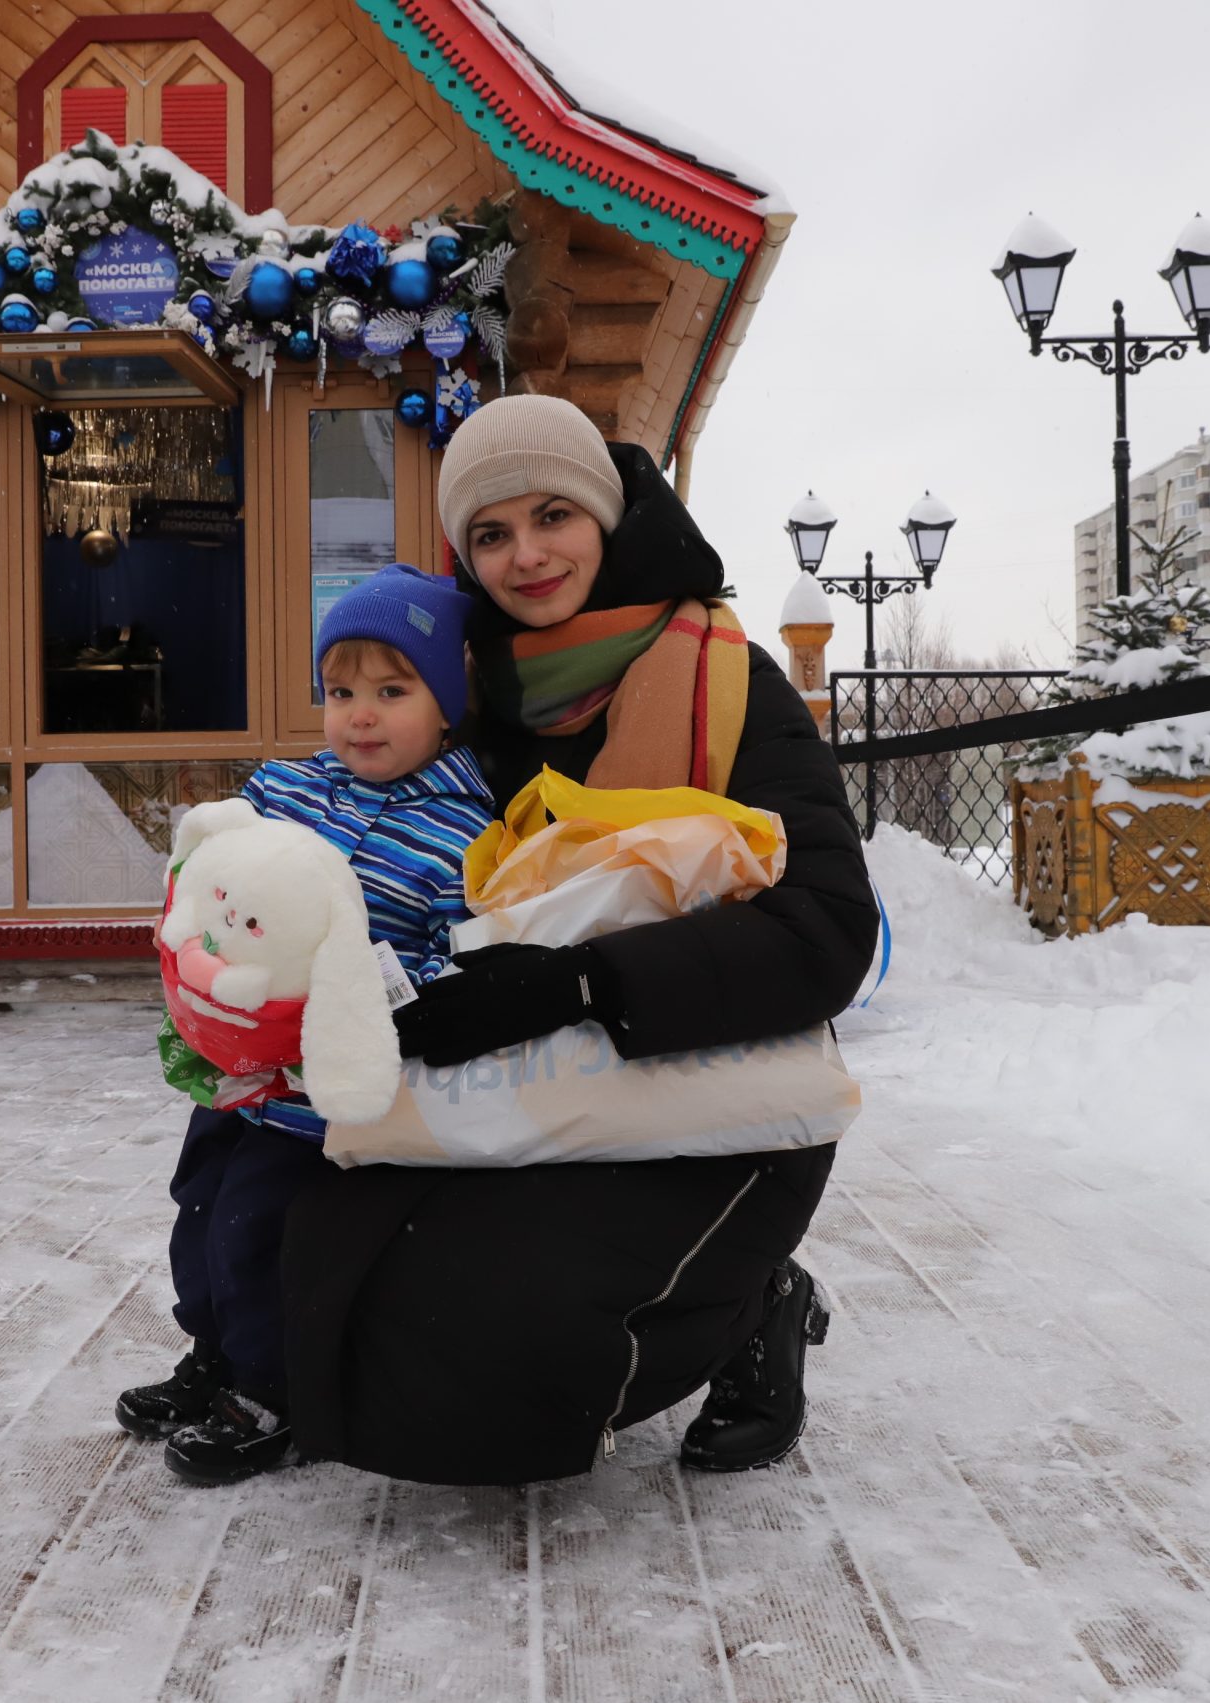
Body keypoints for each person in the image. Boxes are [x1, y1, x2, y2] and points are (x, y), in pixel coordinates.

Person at [281, 394, 879, 1486]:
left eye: (553, 513)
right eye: (492, 533)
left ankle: (756, 1302)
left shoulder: (727, 681)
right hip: (516, 1079)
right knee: (331, 1280)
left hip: (706, 1080)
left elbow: (828, 932)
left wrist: (579, 980)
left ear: (608, 517)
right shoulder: (466, 697)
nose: (527, 554)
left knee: (503, 1346)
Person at [119, 564, 495, 1486]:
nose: (359, 714)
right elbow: (221, 875)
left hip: (319, 1099)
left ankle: (269, 1388)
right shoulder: (288, 790)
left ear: (447, 703)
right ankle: (209, 1354)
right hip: (235, 1074)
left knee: (260, 1229)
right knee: (198, 1205)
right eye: (340, 691)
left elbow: (461, 963)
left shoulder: (461, 834)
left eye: (392, 691)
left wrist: (361, 987)